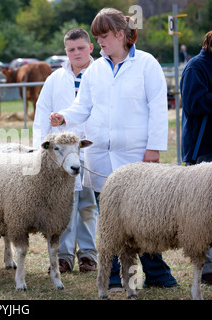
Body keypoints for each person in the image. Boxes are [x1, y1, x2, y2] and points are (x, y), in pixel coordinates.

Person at [50, 8, 178, 290]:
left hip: (136, 159)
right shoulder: (95, 69)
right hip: (101, 159)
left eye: (104, 36)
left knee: (144, 220)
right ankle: (114, 277)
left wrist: (154, 148)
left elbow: (158, 109)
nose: (100, 43)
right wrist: (64, 116)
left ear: (121, 34)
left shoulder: (147, 64)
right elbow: (83, 106)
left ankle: (156, 273)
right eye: (97, 37)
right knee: (108, 222)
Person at [33, 28, 98, 273]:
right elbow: (42, 115)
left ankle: (89, 255)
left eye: (81, 48)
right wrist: (40, 151)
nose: (76, 53)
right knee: (64, 204)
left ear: (90, 48)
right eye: (71, 50)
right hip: (62, 155)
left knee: (88, 204)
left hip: (91, 149)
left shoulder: (101, 73)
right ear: (65, 51)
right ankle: (64, 256)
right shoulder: (55, 79)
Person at [180, 31, 212, 284]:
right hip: (203, 147)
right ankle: (207, 267)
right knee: (204, 212)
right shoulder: (196, 67)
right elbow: (193, 104)